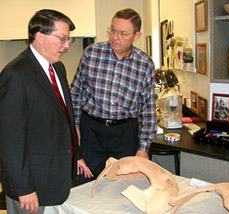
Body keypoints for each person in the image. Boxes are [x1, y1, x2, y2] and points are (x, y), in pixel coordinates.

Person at [0, 9, 93, 214]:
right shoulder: (15, 75)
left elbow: (64, 118)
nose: (67, 46)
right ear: (40, 36)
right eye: (62, 39)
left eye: (68, 40)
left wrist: (76, 155)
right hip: (32, 187)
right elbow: (10, 141)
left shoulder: (57, 67)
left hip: (56, 178)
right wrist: (24, 188)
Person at [71, 8, 157, 184]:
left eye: (123, 33)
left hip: (124, 133)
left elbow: (148, 110)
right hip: (91, 130)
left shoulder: (145, 64)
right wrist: (75, 126)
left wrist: (143, 148)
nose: (114, 37)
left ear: (137, 35)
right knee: (86, 183)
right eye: (113, 30)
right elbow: (76, 93)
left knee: (123, 185)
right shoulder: (92, 53)